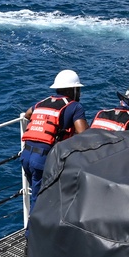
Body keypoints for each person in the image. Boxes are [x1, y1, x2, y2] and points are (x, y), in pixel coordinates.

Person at [20, 69, 88, 212]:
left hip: (26, 156)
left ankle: (36, 229)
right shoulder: (75, 107)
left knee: (37, 195)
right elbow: (83, 133)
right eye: (78, 90)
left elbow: (27, 115)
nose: (80, 94)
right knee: (41, 201)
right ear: (72, 90)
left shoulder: (42, 103)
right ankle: (32, 233)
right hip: (42, 159)